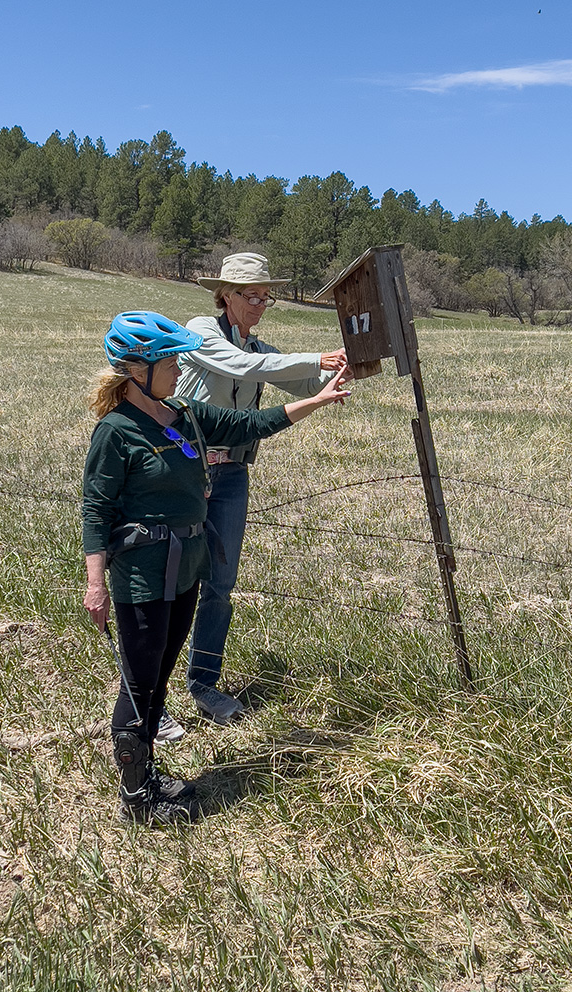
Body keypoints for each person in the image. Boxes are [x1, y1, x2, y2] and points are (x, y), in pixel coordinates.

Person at [82, 310, 350, 826]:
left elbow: (252, 424)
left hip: (185, 568)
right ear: (138, 370)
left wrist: (315, 400)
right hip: (141, 575)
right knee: (141, 683)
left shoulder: (183, 413)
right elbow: (97, 509)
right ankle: (137, 799)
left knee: (160, 676)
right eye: (171, 362)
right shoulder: (115, 432)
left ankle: (148, 775)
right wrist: (96, 584)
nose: (181, 370)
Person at [163, 252, 348, 729]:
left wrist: (350, 365)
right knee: (169, 583)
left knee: (220, 586)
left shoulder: (260, 346)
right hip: (186, 471)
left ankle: (204, 683)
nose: (261, 304)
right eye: (252, 296)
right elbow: (243, 367)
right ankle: (150, 695)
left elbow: (305, 378)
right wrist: (312, 358)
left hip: (232, 476)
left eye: (267, 296)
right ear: (225, 296)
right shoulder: (200, 330)